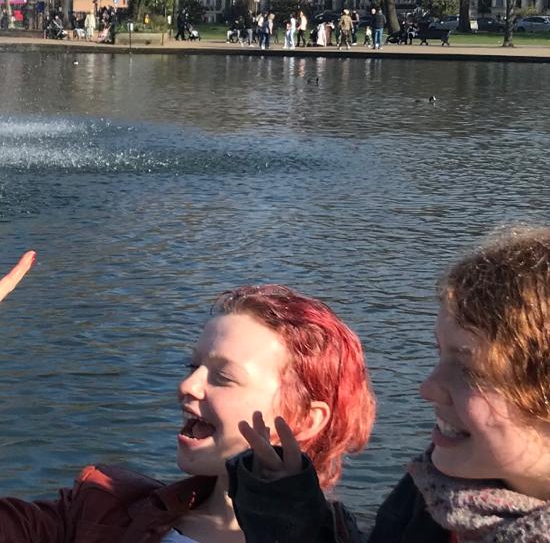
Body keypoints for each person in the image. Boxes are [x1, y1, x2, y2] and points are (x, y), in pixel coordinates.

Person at [0, 255, 376, 543]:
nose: (188, 386)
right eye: (192, 367)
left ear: (307, 419)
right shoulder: (107, 513)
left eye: (222, 378)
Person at [230, 227, 550, 542]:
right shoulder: (435, 494)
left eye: (471, 368)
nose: (427, 388)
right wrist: (285, 505)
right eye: (439, 353)